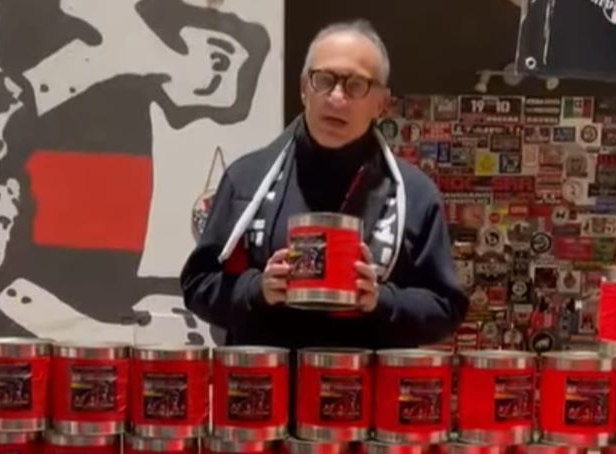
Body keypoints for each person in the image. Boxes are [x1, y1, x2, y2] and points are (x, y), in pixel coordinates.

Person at [180, 19, 469, 349]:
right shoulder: (246, 180)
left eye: (356, 85)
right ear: (304, 88)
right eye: (324, 80)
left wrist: (381, 300)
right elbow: (198, 286)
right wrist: (257, 289)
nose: (336, 97)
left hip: (367, 379)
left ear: (382, 103)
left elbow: (447, 307)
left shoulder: (414, 195)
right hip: (266, 378)